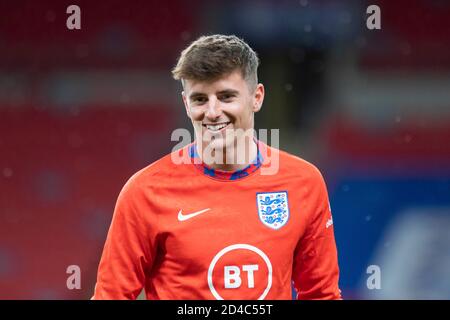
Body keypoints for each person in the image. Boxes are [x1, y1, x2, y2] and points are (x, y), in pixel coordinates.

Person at [92, 34, 341, 300]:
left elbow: (321, 295)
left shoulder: (303, 182)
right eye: (200, 99)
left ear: (256, 98)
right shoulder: (145, 192)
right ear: (186, 104)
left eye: (226, 96)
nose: (212, 112)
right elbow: (112, 296)